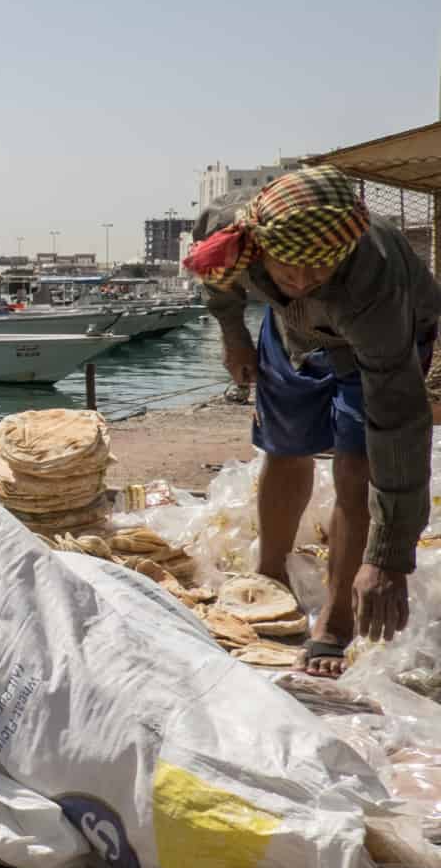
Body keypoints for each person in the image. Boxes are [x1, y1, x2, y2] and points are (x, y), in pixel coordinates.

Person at [188, 164, 441, 678]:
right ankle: (268, 577)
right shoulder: (234, 229)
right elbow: (217, 279)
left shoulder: (374, 282)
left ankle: (339, 613)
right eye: (287, 271)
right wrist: (234, 334)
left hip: (378, 342)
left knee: (356, 465)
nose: (302, 281)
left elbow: (398, 422)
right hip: (294, 337)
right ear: (261, 245)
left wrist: (390, 559)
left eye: (318, 272)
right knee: (284, 449)